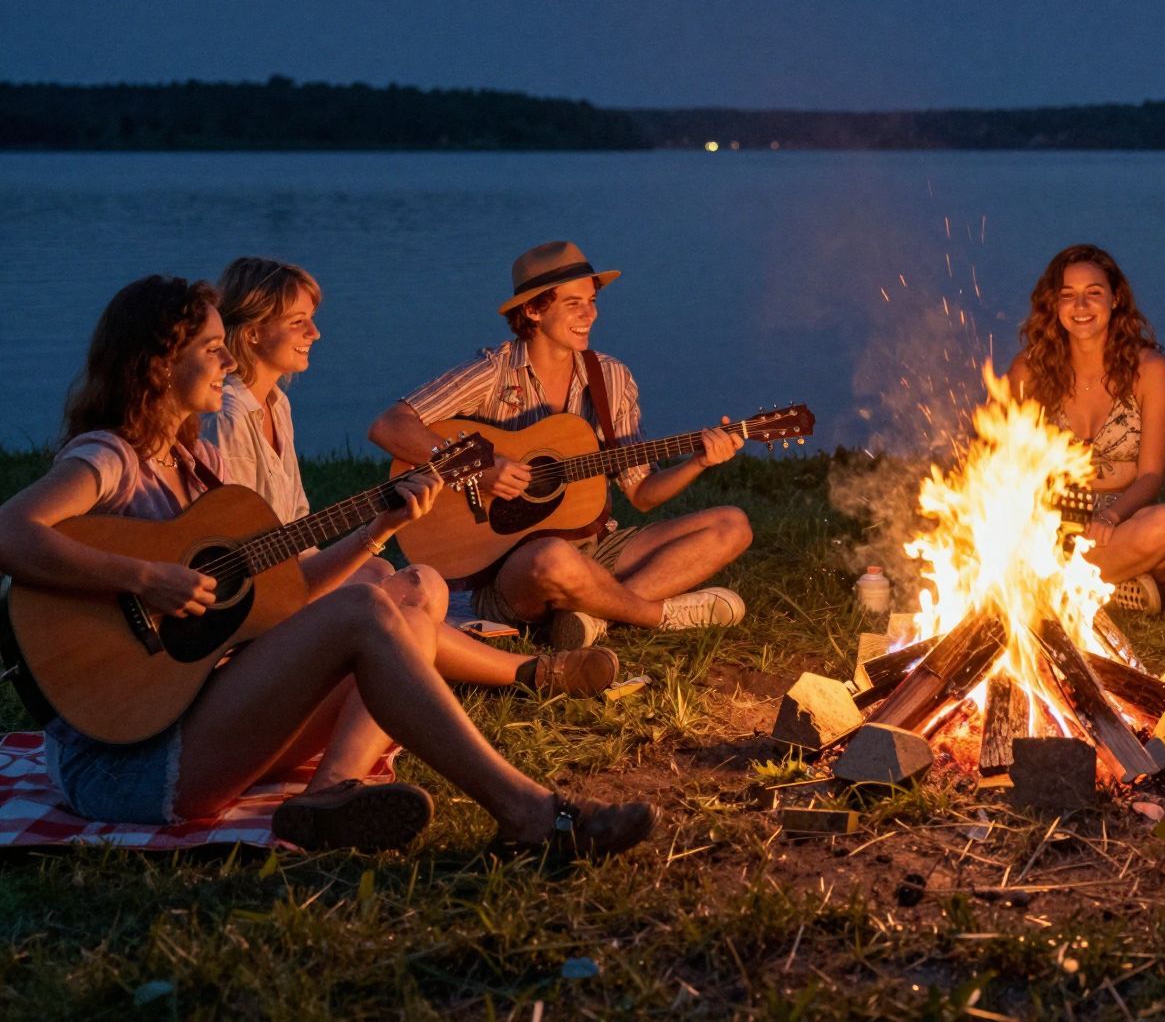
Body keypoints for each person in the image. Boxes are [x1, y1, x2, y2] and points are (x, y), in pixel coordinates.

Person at [0, 276, 656, 856]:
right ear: (156, 363)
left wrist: (379, 530)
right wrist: (143, 578)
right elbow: (10, 532)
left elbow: (277, 606)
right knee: (370, 612)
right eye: (210, 347)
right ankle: (531, 814)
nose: (228, 359)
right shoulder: (109, 457)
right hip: (120, 768)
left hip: (186, 720)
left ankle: (325, 798)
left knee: (406, 614)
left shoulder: (201, 470)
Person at [205, 256, 617, 698]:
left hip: (288, 574)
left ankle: (432, 666)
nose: (315, 333)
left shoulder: (275, 406)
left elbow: (297, 526)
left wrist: (366, 540)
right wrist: (376, 529)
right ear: (252, 333)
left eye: (313, 320)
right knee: (412, 589)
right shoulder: (229, 418)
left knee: (387, 572)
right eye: (299, 322)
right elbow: (249, 550)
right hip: (258, 605)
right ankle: (532, 672)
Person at [367, 241, 753, 650]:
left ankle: (590, 615)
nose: (590, 314)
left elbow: (640, 494)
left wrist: (697, 462)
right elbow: (390, 426)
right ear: (533, 310)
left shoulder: (610, 378)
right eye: (574, 304)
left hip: (594, 546)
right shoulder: (492, 371)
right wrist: (481, 468)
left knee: (732, 525)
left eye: (591, 300)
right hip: (509, 566)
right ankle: (653, 615)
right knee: (552, 556)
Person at [1006, 244, 1165, 613]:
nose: (1081, 307)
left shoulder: (1150, 370)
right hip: (1051, 522)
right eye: (1068, 295)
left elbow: (1150, 474)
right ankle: (1118, 586)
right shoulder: (1029, 369)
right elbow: (1000, 460)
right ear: (1054, 304)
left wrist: (1110, 517)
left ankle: (1059, 588)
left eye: (1093, 293)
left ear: (1115, 299)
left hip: (1121, 519)